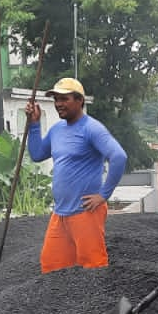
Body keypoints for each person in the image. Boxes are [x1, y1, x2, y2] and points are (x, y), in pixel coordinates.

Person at [24, 77, 128, 273]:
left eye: (64, 99)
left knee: (93, 268)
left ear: (80, 100)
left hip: (85, 213)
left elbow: (119, 157)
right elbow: (37, 154)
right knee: (51, 267)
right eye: (56, 99)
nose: (58, 104)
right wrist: (34, 125)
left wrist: (103, 195)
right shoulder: (57, 130)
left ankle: (97, 304)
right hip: (60, 214)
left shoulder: (92, 128)